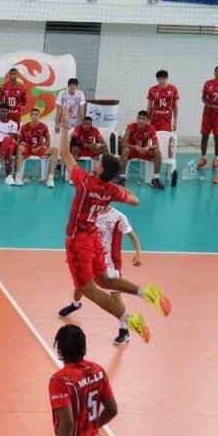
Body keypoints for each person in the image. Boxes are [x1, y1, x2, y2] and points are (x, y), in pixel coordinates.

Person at [56, 126, 169, 344]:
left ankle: (128, 319)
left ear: (101, 170)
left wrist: (64, 127)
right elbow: (135, 201)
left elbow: (65, 153)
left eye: (98, 162)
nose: (95, 162)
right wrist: (124, 192)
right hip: (94, 239)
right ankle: (145, 293)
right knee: (105, 280)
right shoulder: (111, 189)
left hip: (78, 242)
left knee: (88, 288)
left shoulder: (85, 183)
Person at [59, 204, 144, 345]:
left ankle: (124, 330)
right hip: (91, 255)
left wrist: (138, 254)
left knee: (115, 296)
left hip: (111, 262)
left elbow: (133, 237)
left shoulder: (119, 217)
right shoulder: (92, 213)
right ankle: (75, 304)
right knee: (82, 285)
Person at [118, 110, 164, 189]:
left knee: (157, 151)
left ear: (147, 121)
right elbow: (122, 143)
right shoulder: (131, 127)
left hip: (144, 151)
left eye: (143, 119)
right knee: (125, 150)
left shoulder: (151, 128)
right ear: (137, 119)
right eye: (139, 118)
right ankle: (122, 177)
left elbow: (156, 145)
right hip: (133, 150)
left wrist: (148, 147)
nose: (141, 121)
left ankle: (155, 178)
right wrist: (135, 146)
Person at [15, 110, 59, 188]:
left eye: (36, 114)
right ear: (30, 116)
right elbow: (20, 141)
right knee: (19, 148)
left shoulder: (43, 126)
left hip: (39, 148)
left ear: (39, 116)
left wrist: (40, 147)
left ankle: (50, 178)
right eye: (33, 114)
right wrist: (22, 143)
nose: (35, 116)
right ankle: (18, 176)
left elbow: (48, 141)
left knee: (55, 150)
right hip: (28, 148)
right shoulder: (24, 127)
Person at [199, 64, 218, 172]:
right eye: (217, 71)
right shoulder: (208, 83)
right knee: (205, 135)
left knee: (217, 137)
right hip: (207, 113)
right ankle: (203, 158)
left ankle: (216, 159)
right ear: (214, 72)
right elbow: (203, 97)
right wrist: (207, 103)